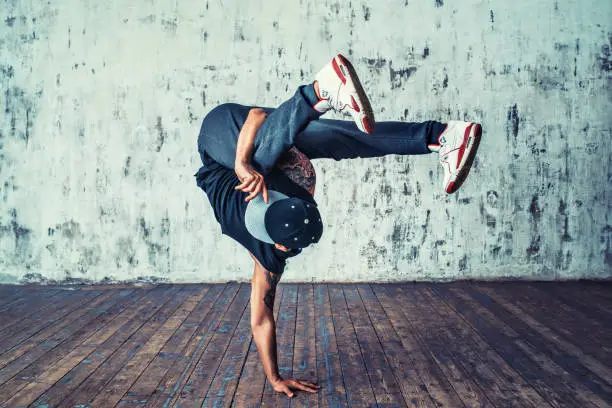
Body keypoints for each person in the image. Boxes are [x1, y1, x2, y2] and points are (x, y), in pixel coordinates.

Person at [194, 54, 482, 398]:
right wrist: (274, 377)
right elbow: (261, 318)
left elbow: (256, 116)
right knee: (338, 140)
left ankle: (328, 92)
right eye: (291, 249)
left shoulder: (260, 227)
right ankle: (435, 133)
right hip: (246, 146)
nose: (288, 252)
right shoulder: (275, 246)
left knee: (274, 153)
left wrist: (241, 164)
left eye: (288, 248)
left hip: (227, 143)